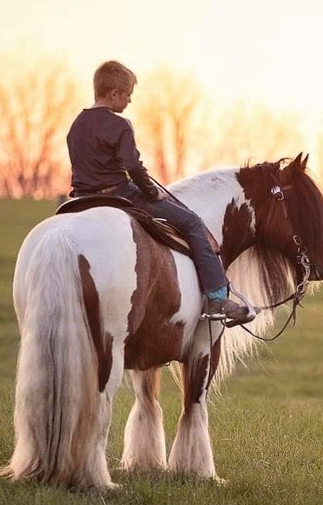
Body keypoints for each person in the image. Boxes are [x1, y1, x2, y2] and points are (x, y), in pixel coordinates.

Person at [66, 60, 255, 327]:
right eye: (128, 95)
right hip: (118, 194)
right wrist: (151, 191)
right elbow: (132, 166)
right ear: (114, 94)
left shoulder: (76, 125)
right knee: (191, 222)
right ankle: (217, 298)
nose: (129, 102)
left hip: (81, 199)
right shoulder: (120, 125)